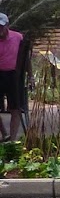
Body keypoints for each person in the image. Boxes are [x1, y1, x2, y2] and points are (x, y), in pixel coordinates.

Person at [0, 13, 27, 142]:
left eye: (1, 27)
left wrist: (30, 75)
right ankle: (4, 133)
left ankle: (13, 139)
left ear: (7, 26)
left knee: (15, 108)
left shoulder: (18, 37)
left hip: (13, 75)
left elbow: (25, 58)